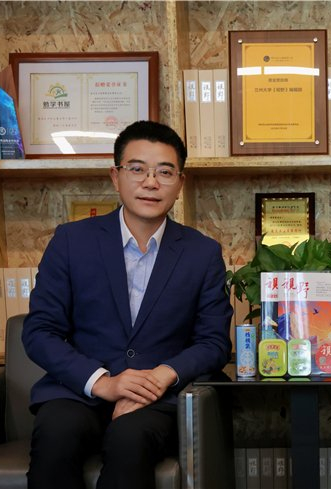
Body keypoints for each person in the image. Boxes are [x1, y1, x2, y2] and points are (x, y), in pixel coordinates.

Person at [23, 120, 233, 489]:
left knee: (130, 439)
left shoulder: (202, 253)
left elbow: (214, 342)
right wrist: (103, 383)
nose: (151, 182)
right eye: (137, 169)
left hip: (158, 398)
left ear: (180, 183)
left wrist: (159, 378)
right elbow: (40, 331)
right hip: (81, 391)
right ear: (115, 176)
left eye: (164, 172)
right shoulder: (72, 241)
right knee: (57, 434)